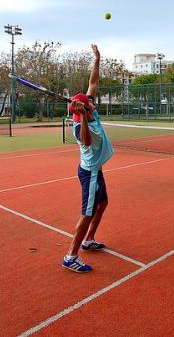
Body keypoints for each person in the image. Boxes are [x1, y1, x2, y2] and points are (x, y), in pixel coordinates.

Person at [62, 44, 114, 273]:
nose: (94, 101)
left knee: (103, 204)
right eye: (91, 102)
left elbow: (93, 83)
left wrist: (97, 59)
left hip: (97, 170)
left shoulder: (90, 110)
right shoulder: (81, 127)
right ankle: (70, 256)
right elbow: (87, 140)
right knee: (88, 212)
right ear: (85, 109)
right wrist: (83, 116)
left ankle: (88, 240)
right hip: (90, 173)